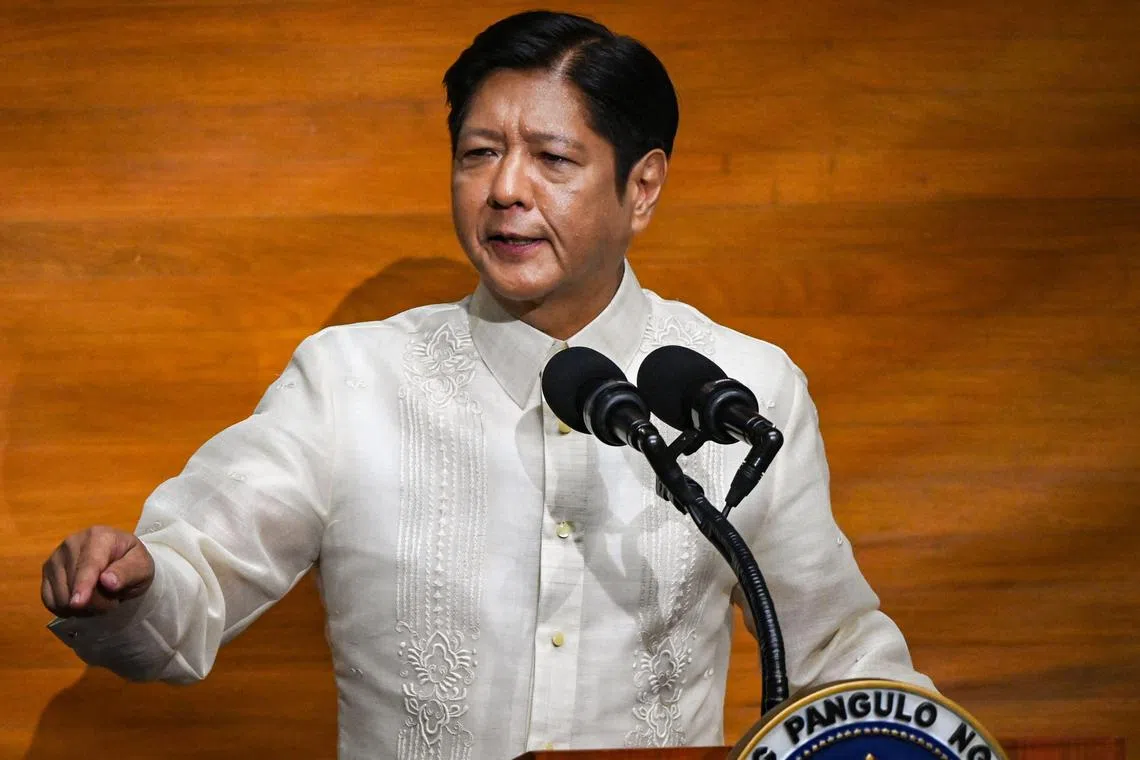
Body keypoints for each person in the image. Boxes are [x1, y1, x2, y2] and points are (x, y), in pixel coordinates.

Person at [41, 10, 932, 758]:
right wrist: (138, 582)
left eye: (552, 158)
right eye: (478, 153)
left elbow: (835, 649)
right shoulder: (352, 379)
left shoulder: (740, 391)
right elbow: (193, 583)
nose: (505, 189)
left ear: (643, 187)